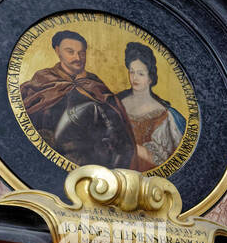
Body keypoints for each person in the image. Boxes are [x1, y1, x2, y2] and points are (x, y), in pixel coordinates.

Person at [19, 29, 135, 168]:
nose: (78, 58)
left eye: (82, 52)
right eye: (70, 52)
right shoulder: (43, 80)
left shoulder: (95, 84)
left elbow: (117, 124)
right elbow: (27, 116)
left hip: (93, 162)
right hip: (48, 159)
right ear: (57, 51)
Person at [116, 41, 185, 170]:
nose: (134, 78)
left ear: (150, 78)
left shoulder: (163, 114)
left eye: (141, 73)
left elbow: (163, 159)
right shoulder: (117, 103)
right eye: (132, 72)